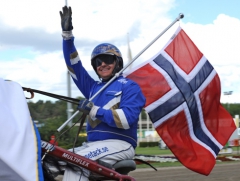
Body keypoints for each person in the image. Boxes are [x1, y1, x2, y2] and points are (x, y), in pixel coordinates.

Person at [59, 6, 146, 181]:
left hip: (120, 144)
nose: (102, 64)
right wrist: (67, 36)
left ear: (117, 62)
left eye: (107, 60)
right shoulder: (92, 87)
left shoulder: (130, 87)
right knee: (52, 161)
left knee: (75, 163)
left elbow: (127, 118)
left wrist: (94, 110)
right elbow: (73, 65)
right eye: (98, 61)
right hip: (93, 145)